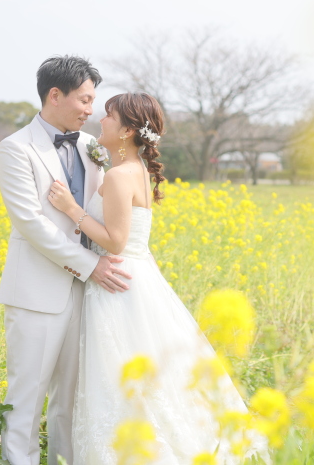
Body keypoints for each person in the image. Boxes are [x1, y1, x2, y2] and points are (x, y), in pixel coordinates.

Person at [48, 92, 270, 464]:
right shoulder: (135, 169)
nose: (100, 120)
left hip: (118, 280)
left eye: (108, 115)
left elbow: (116, 241)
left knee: (121, 378)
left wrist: (71, 209)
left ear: (128, 130)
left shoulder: (120, 176)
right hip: (138, 276)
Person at [0, 56, 133, 465]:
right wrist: (92, 266)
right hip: (37, 291)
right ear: (55, 95)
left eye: (94, 101)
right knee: (26, 395)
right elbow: (32, 225)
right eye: (85, 100)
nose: (91, 110)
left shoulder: (93, 146)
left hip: (90, 296)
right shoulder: (15, 148)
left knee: (73, 399)